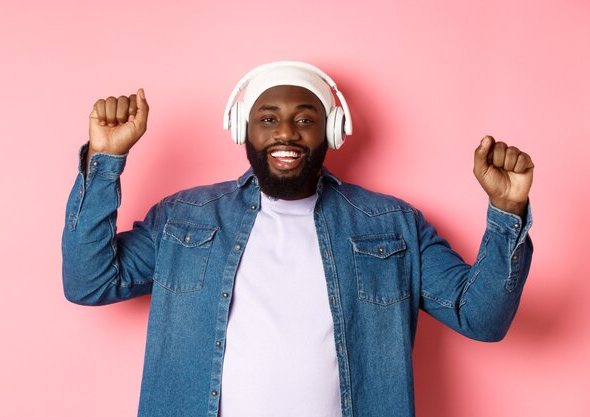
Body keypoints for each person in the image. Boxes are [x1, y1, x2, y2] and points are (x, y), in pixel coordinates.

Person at [62, 61, 534, 417]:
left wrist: (506, 211)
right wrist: (105, 160)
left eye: (305, 118)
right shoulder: (183, 217)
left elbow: (482, 318)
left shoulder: (393, 225)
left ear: (330, 130)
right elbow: (89, 281)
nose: (285, 131)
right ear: (242, 128)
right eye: (267, 118)